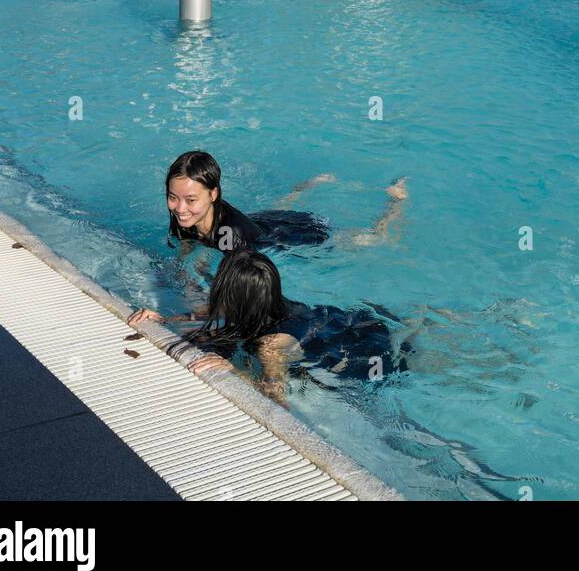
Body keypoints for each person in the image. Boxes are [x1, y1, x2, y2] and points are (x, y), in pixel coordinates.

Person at [130, 251, 411, 403]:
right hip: (347, 321)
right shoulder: (269, 302)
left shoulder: (271, 346)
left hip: (357, 352)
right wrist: (164, 320)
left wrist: (234, 371)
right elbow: (214, 312)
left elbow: (275, 395)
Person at [162, 150, 408, 256]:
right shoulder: (185, 213)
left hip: (300, 233)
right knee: (275, 212)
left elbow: (237, 283)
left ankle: (395, 202)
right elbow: (188, 244)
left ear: (213, 194)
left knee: (374, 240)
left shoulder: (229, 237)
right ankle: (308, 186)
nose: (180, 208)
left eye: (191, 199)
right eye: (173, 197)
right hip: (260, 220)